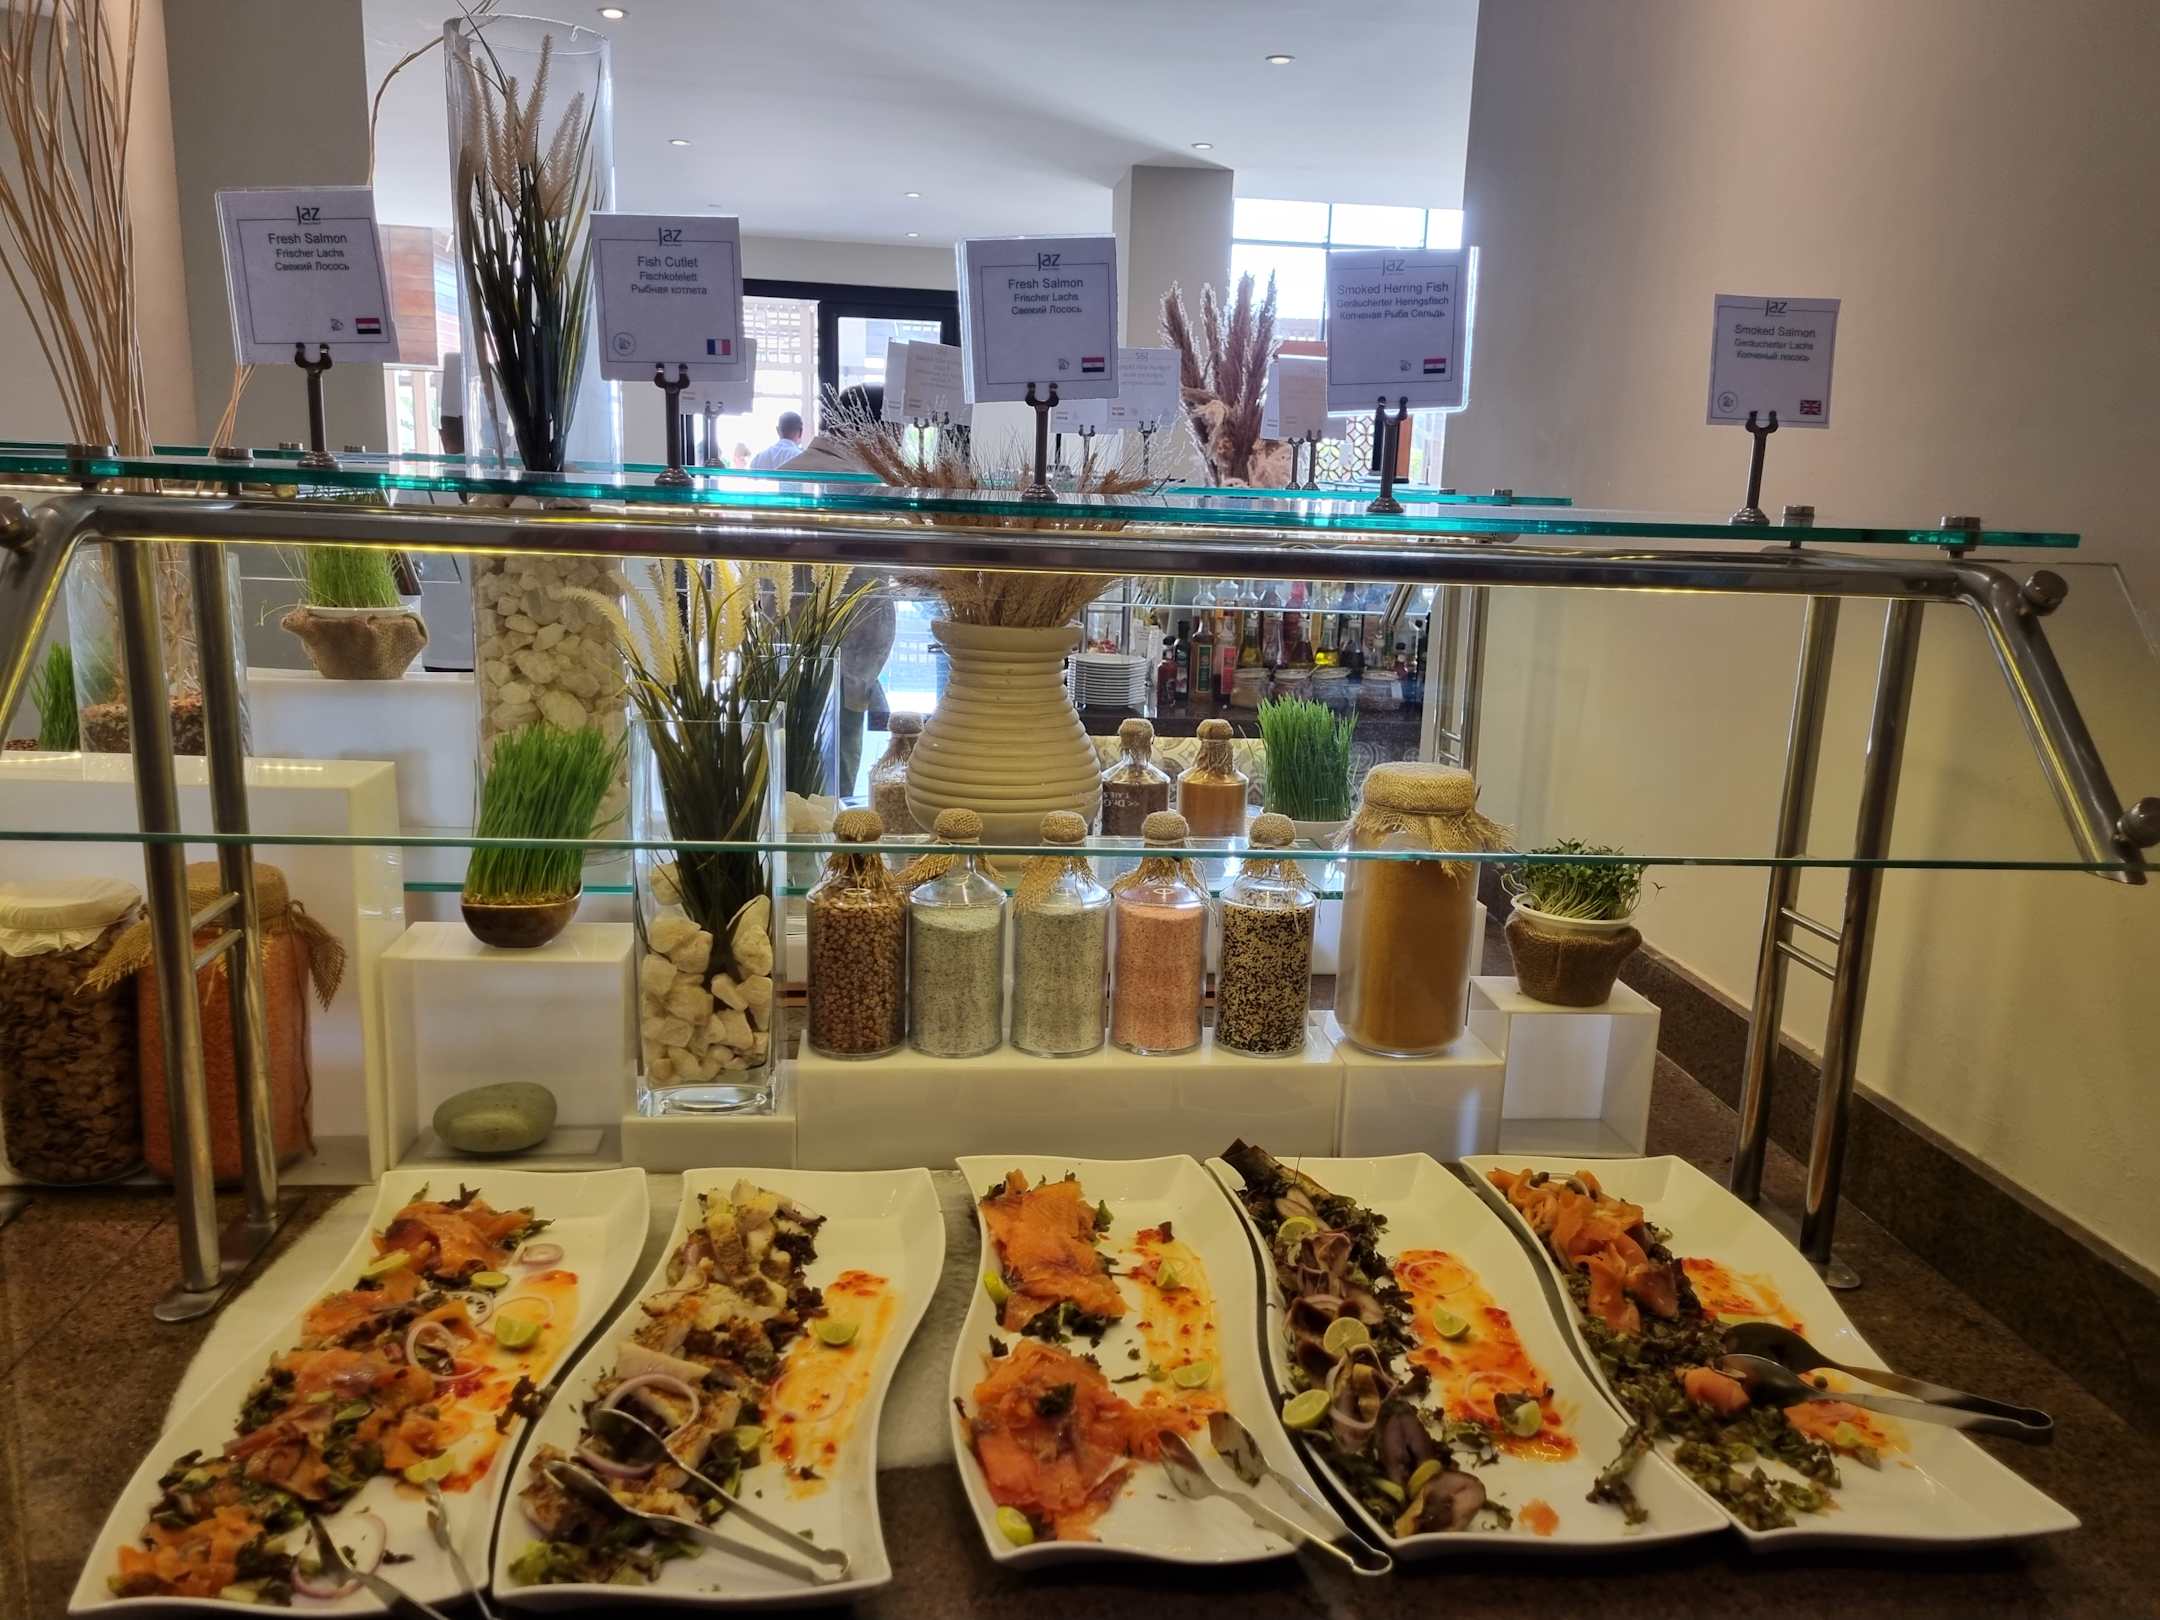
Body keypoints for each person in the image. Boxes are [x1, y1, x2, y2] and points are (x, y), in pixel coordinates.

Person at [781, 386, 896, 791]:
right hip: (852, 643)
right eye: (894, 430)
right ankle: (834, 824)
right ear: (875, 428)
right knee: (840, 758)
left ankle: (798, 817)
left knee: (792, 750)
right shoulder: (871, 482)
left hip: (787, 640)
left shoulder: (787, 473)